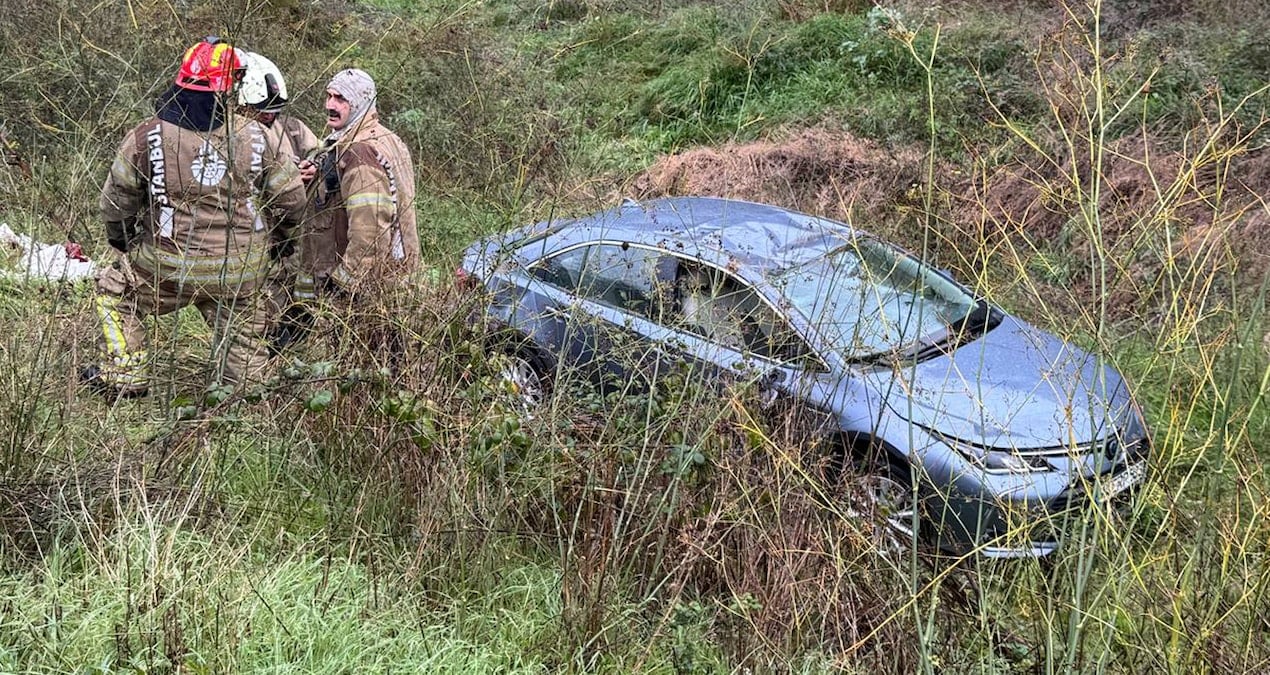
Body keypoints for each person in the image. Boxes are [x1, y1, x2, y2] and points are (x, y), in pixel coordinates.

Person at [81, 37, 310, 399]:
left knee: (114, 292)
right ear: (230, 87)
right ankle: (245, 392)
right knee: (243, 333)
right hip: (238, 270)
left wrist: (123, 242)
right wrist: (281, 244)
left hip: (167, 266)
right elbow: (293, 202)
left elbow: (116, 202)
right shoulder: (258, 135)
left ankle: (127, 375)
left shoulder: (146, 135)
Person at [280, 68, 419, 363]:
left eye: (341, 99)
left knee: (364, 366)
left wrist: (343, 284)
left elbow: (370, 232)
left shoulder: (360, 153)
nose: (330, 105)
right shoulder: (383, 139)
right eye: (329, 96)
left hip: (365, 291)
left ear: (360, 103)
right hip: (392, 282)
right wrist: (321, 174)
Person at [234, 50, 320, 353]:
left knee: (284, 289)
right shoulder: (228, 136)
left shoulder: (293, 128)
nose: (270, 115)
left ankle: (281, 345)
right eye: (263, 109)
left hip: (288, 237)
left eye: (276, 109)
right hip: (248, 240)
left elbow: (318, 153)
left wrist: (313, 167)